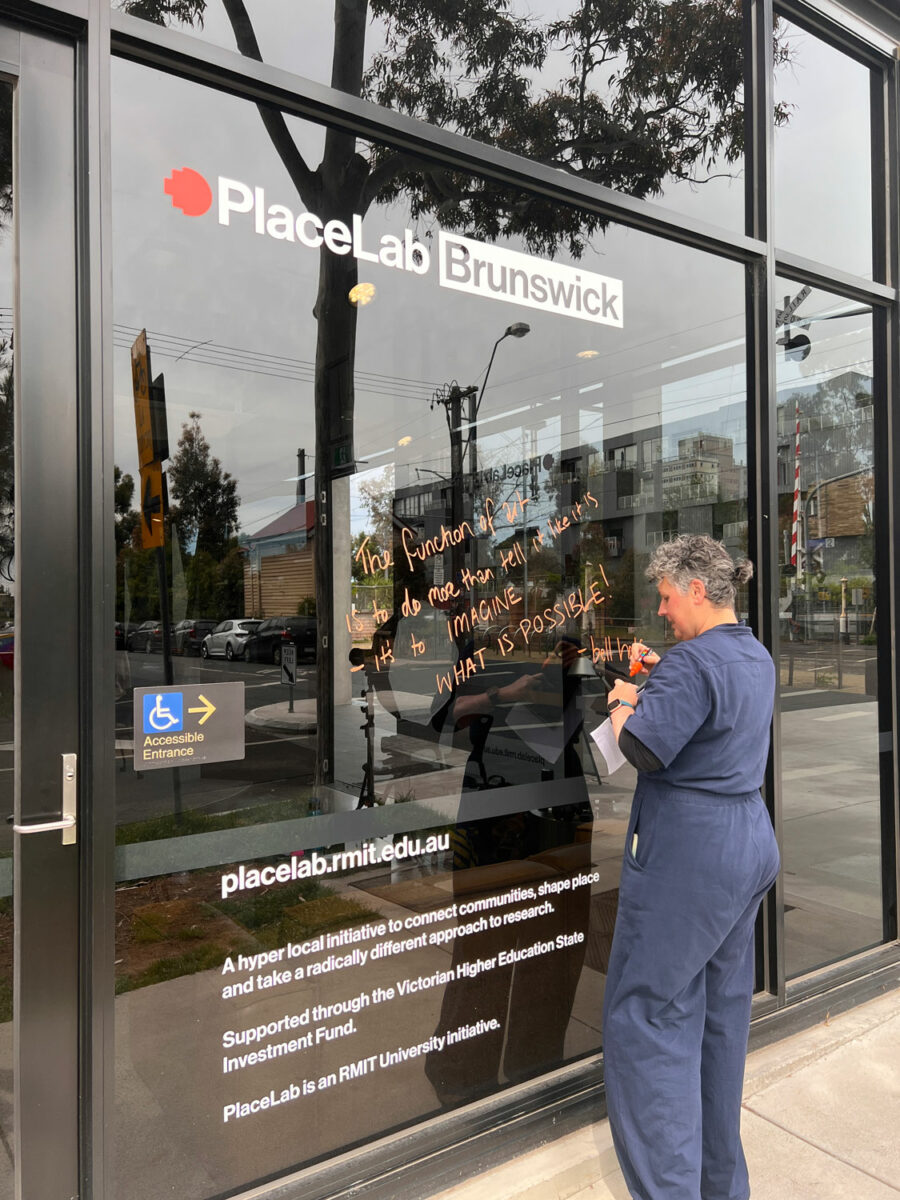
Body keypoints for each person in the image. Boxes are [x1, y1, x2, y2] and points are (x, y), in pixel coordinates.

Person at [602, 534, 780, 1200]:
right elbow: (708, 716)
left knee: (647, 1021)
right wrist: (662, 673)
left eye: (668, 596)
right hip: (748, 841)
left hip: (692, 854)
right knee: (717, 1024)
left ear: (698, 590)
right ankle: (719, 1188)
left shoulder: (690, 664)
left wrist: (625, 699)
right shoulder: (751, 654)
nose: (662, 608)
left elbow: (644, 747)